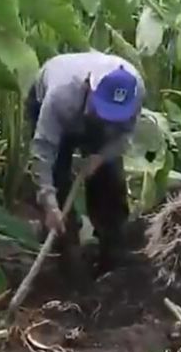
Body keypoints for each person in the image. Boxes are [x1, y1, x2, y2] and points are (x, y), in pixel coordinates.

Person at [26, 51, 145, 272]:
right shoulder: (60, 97)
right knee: (58, 180)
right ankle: (67, 252)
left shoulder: (135, 91)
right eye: (105, 111)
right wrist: (48, 201)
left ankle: (113, 253)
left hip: (89, 114)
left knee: (109, 179)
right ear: (90, 89)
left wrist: (101, 157)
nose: (108, 119)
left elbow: (125, 135)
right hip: (52, 104)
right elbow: (43, 150)